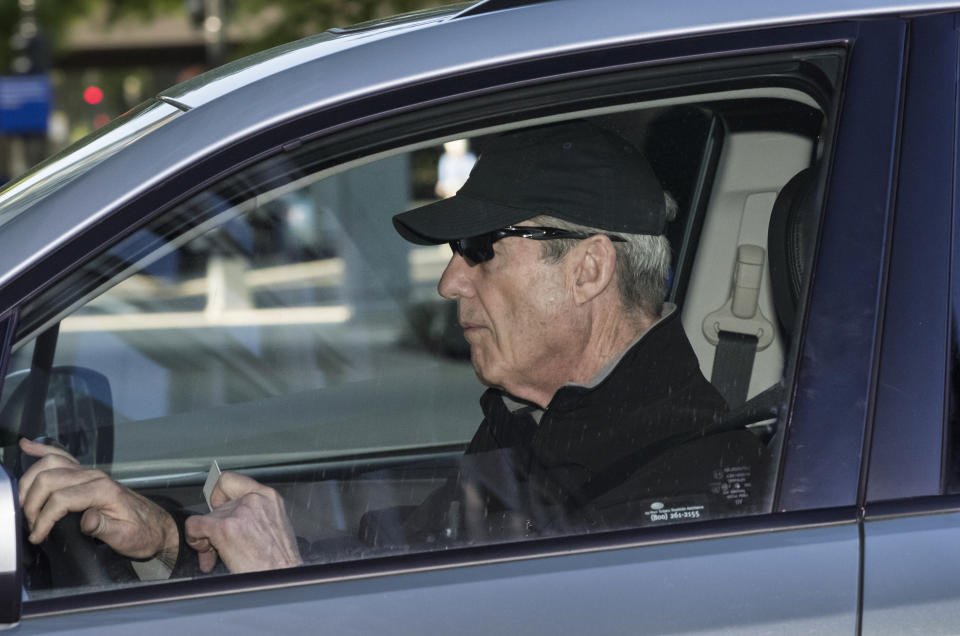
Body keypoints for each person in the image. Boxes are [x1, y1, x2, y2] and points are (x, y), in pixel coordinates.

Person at [17, 120, 763, 578]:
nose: (447, 281)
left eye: (477, 249)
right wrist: (167, 537)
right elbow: (394, 560)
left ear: (589, 268)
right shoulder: (541, 424)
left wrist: (287, 589)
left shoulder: (686, 493)